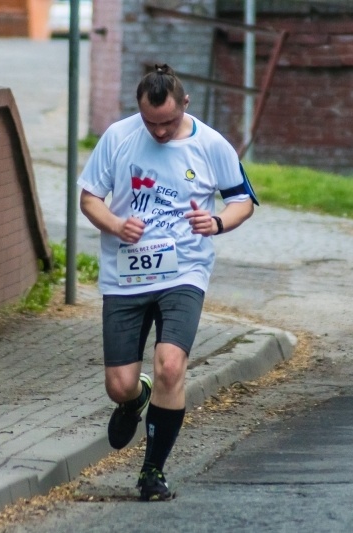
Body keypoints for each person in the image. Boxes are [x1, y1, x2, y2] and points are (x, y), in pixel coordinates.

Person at [78, 64, 257, 501]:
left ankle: (152, 471)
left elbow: (242, 201)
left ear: (185, 106)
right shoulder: (119, 138)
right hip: (126, 276)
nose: (158, 132)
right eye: (150, 122)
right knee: (118, 384)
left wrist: (216, 222)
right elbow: (89, 199)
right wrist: (117, 225)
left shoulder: (212, 144)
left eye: (168, 122)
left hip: (184, 272)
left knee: (171, 367)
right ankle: (134, 396)